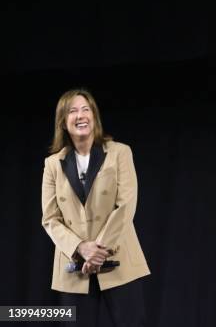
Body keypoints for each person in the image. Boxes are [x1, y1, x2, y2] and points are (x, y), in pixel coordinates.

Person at [41, 89, 150, 326]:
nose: (80, 115)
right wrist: (81, 248)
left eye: (85, 109)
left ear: (94, 116)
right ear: (63, 121)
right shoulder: (52, 164)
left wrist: (98, 251)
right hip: (74, 267)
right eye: (72, 111)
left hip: (119, 260)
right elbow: (50, 218)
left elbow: (126, 205)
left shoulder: (120, 152)